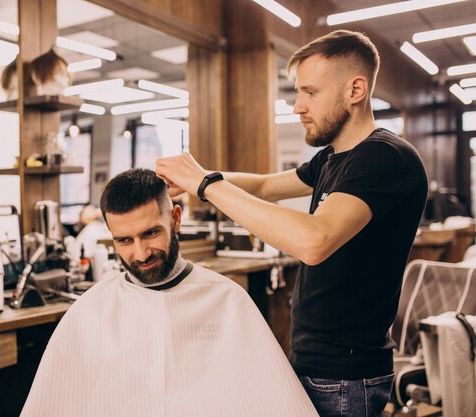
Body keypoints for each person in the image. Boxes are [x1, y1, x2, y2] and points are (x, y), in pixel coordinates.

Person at [156, 30, 428, 417]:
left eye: (310, 92)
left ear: (355, 90)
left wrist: (206, 185)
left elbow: (314, 240)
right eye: (297, 92)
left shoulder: (385, 158)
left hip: (346, 374)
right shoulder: (334, 157)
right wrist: (196, 178)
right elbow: (266, 185)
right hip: (318, 360)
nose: (298, 106)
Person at [20, 168, 318, 417]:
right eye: (124, 240)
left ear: (175, 219)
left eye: (150, 233)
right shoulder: (90, 310)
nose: (140, 253)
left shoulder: (227, 299)